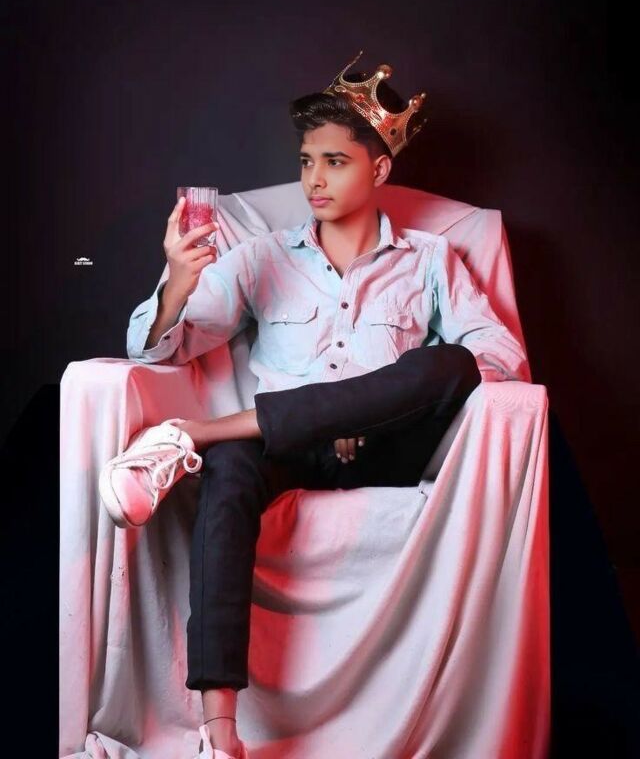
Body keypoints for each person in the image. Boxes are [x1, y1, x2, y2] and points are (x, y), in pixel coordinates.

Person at [99, 49, 529, 759]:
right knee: (231, 469)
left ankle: (193, 434)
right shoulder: (262, 256)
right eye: (306, 162)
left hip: (389, 451)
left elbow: (503, 359)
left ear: (379, 170)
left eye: (335, 162)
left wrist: (371, 403)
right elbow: (159, 349)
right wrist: (177, 279)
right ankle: (219, 735)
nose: (314, 180)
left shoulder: (430, 259)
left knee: (450, 363)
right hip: (284, 450)